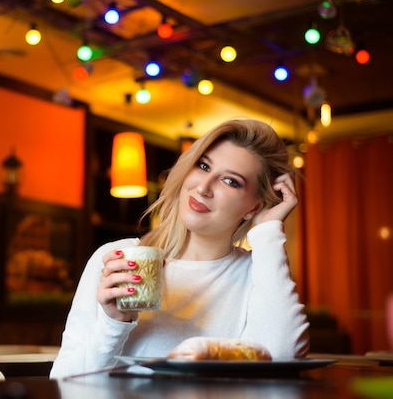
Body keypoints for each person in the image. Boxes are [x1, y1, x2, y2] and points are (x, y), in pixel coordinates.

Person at [49, 118, 310, 378]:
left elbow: (282, 356)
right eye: (204, 166)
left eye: (230, 181)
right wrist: (114, 323)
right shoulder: (119, 259)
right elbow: (62, 383)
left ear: (253, 207)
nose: (203, 188)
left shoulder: (258, 274)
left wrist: (268, 230)